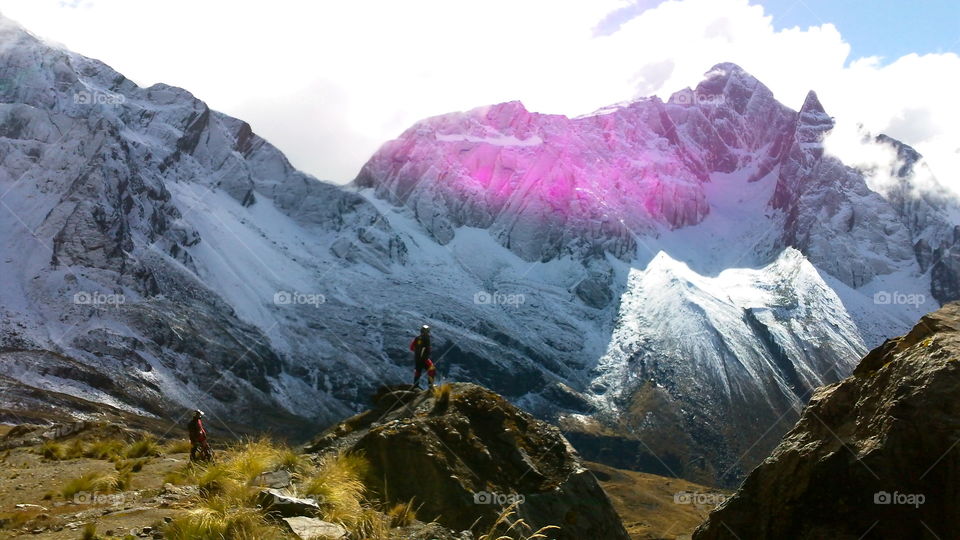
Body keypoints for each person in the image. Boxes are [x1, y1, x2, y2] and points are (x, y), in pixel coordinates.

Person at [410, 324, 436, 389]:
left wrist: (417, 352)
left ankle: (415, 386)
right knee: (432, 369)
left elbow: (411, 348)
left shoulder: (417, 338)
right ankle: (430, 385)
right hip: (425, 359)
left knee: (418, 371)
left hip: (417, 358)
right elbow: (428, 349)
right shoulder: (427, 339)